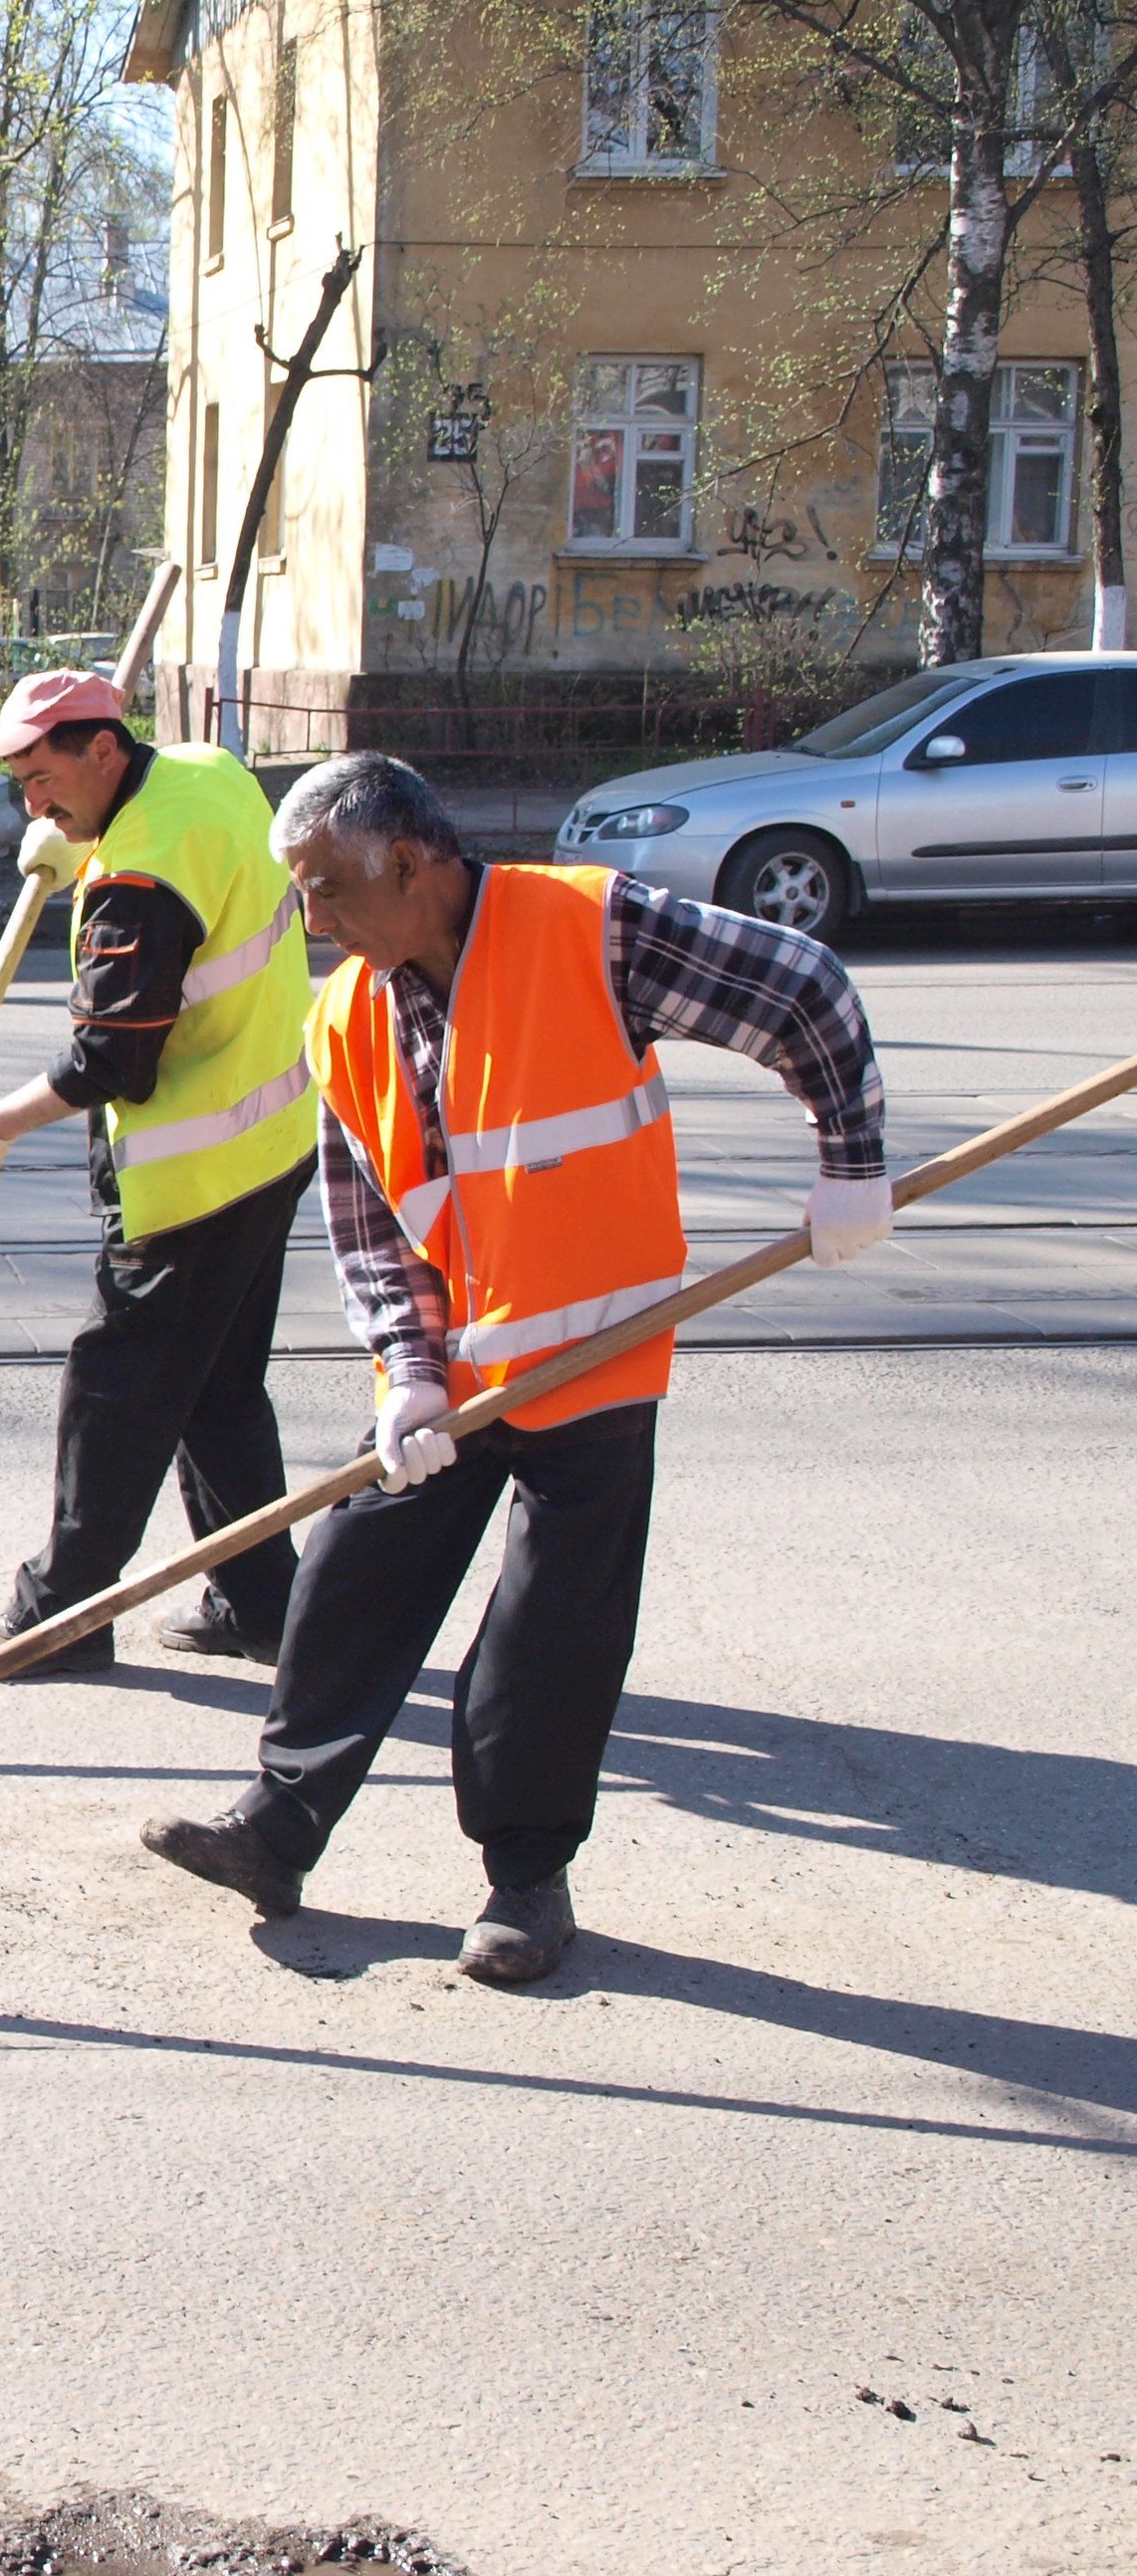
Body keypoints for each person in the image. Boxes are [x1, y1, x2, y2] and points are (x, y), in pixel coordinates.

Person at [139, 752, 890, 1985]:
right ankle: (278, 1829)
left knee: (550, 1629)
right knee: (349, 1573)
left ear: (413, 862)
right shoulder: (347, 1014)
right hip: (460, 1368)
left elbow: (801, 985)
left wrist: (851, 1161)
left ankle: (526, 1885)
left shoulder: (590, 930)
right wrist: (408, 1370)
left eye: (326, 890)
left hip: (596, 1352)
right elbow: (369, 1216)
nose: (310, 922)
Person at [0, 667, 322, 1677]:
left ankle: (60, 1617)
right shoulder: (208, 770)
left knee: (119, 1390)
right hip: (273, 1140)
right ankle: (264, 1604)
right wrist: (79, 839)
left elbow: (110, 1060)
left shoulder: (140, 873)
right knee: (217, 1392)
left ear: (103, 751)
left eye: (43, 779)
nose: (32, 802)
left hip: (192, 1177)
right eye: (19, 785)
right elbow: (196, 864)